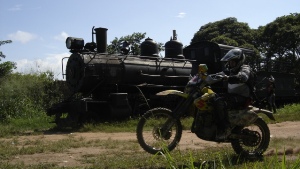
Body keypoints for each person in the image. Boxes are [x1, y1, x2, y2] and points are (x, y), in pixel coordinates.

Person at [214, 48, 252, 140]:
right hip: (233, 96)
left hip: (242, 97)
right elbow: (218, 74)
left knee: (219, 102)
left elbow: (243, 77)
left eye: (233, 62)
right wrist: (203, 76)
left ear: (239, 61)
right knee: (212, 97)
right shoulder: (230, 71)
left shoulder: (245, 68)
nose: (231, 64)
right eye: (230, 62)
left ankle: (226, 128)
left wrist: (228, 78)